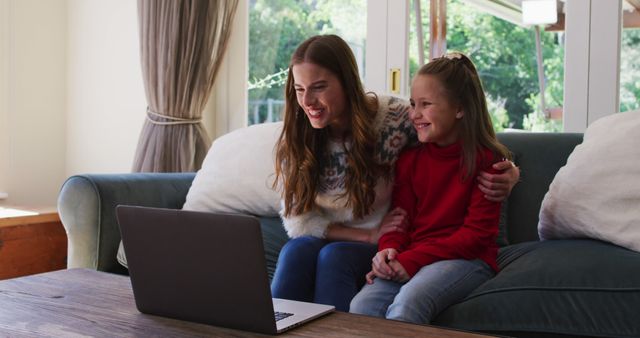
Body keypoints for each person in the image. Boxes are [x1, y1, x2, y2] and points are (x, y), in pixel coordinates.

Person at [270, 35, 518, 312]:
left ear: (347, 82)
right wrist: (372, 236)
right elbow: (297, 222)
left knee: (334, 256)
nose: (307, 101)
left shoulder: (398, 119)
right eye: (299, 88)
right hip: (367, 240)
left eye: (319, 87)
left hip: (382, 246)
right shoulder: (296, 137)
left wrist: (511, 169)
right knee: (295, 251)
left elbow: (466, 134)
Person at [349, 52, 509, 323]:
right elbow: (400, 220)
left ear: (459, 108)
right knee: (361, 306)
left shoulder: (486, 161)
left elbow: (476, 236)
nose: (415, 114)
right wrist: (387, 251)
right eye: (413, 104)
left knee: (408, 303)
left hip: (467, 260)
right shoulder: (410, 159)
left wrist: (411, 261)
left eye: (426, 104)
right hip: (414, 254)